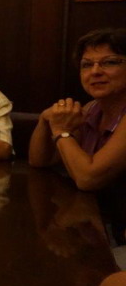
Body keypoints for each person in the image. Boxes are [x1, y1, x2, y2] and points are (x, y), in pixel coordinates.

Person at [29, 29, 126, 191]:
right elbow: (40, 161)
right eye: (87, 65)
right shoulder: (92, 108)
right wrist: (45, 119)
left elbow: (88, 179)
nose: (95, 71)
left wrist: (61, 130)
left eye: (109, 62)